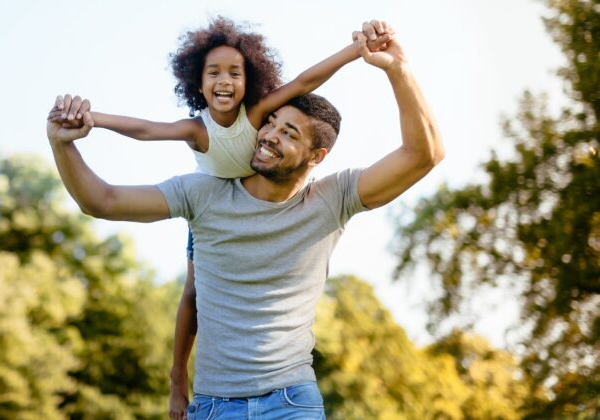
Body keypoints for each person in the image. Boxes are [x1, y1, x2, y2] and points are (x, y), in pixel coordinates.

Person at [47, 21, 443, 419]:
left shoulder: (333, 199)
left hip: (292, 403)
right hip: (214, 406)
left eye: (288, 133)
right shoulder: (204, 193)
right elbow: (102, 201)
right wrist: (61, 145)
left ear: (316, 156)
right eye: (270, 123)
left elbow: (422, 155)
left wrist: (399, 69)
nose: (269, 134)